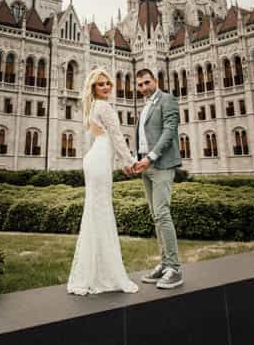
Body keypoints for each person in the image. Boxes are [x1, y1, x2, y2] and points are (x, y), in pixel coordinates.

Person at [66, 67, 140, 295]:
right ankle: (107, 275)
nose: (106, 86)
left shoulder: (92, 107)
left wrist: (119, 161)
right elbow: (117, 137)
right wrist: (129, 162)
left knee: (95, 213)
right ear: (93, 88)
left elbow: (102, 140)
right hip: (98, 162)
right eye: (101, 84)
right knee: (102, 212)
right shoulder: (104, 107)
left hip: (94, 160)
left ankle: (94, 272)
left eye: (108, 83)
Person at [131, 67, 183, 290]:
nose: (143, 87)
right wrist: (137, 158)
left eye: (146, 83)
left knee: (162, 213)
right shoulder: (145, 106)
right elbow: (144, 138)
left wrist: (151, 157)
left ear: (155, 80)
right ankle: (164, 263)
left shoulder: (167, 99)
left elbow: (169, 131)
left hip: (161, 164)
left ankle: (174, 268)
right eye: (140, 84)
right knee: (155, 216)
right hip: (145, 165)